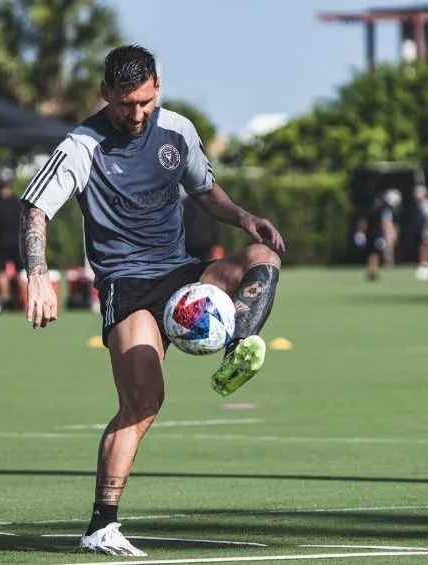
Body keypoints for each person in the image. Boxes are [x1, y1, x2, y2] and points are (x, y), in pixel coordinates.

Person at [18, 45, 284, 556]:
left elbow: (204, 190)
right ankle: (102, 524)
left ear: (157, 86)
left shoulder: (176, 131)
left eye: (143, 102)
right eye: (124, 104)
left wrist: (244, 217)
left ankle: (238, 348)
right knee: (142, 404)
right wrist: (37, 276)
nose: (136, 114)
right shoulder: (81, 145)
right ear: (105, 94)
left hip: (183, 276)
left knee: (260, 256)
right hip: (129, 288)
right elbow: (35, 209)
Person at [0, 175, 24, 309]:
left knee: (20, 273)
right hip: (3, 243)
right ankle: (6, 301)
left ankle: (18, 300)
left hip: (13, 243)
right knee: (2, 273)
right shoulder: (18, 204)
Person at [353, 189, 399, 280]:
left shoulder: (372, 209)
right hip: (375, 234)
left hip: (372, 234)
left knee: (374, 253)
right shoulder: (379, 210)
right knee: (374, 253)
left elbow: (364, 222)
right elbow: (383, 222)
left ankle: (372, 269)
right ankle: (372, 269)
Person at [413, 184, 428, 281]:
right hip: (421, 228)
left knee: (425, 246)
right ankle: (423, 263)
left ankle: (426, 264)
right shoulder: (418, 205)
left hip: (427, 228)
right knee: (422, 246)